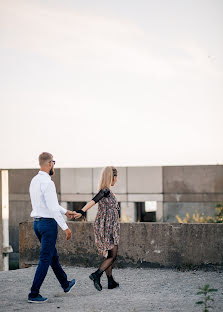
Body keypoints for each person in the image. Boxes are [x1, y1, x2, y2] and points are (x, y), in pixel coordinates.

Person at [28, 152, 76, 303]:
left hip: (37, 224)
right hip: (48, 225)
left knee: (52, 255)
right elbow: (52, 209)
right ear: (49, 164)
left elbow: (51, 205)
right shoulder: (48, 183)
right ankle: (33, 294)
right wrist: (65, 227)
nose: (53, 164)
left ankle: (65, 284)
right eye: (53, 162)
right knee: (45, 259)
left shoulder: (34, 181)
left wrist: (66, 211)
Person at [74, 166, 120, 291]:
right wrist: (82, 211)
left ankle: (110, 281)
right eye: (116, 178)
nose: (116, 180)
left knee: (108, 254)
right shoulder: (105, 191)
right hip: (108, 227)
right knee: (112, 255)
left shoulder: (107, 191)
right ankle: (96, 275)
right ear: (113, 177)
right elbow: (93, 201)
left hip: (106, 226)